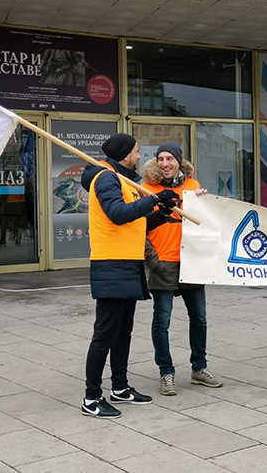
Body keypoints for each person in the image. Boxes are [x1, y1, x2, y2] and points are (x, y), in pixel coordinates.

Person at [80, 133, 179, 418]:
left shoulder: (125, 180)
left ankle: (120, 388)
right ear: (124, 154)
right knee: (105, 334)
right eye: (136, 151)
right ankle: (91, 397)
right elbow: (117, 214)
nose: (139, 156)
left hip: (129, 263)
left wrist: (162, 211)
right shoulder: (106, 178)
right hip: (111, 263)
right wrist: (153, 200)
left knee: (123, 333)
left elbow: (136, 220)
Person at [142, 142, 223, 396]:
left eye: (169, 158)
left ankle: (199, 368)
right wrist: (152, 259)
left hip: (192, 263)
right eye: (160, 159)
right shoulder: (145, 189)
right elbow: (138, 227)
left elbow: (205, 223)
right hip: (162, 264)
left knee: (199, 318)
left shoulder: (193, 187)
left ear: (179, 161)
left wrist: (205, 203)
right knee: (161, 321)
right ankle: (166, 372)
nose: (164, 163)